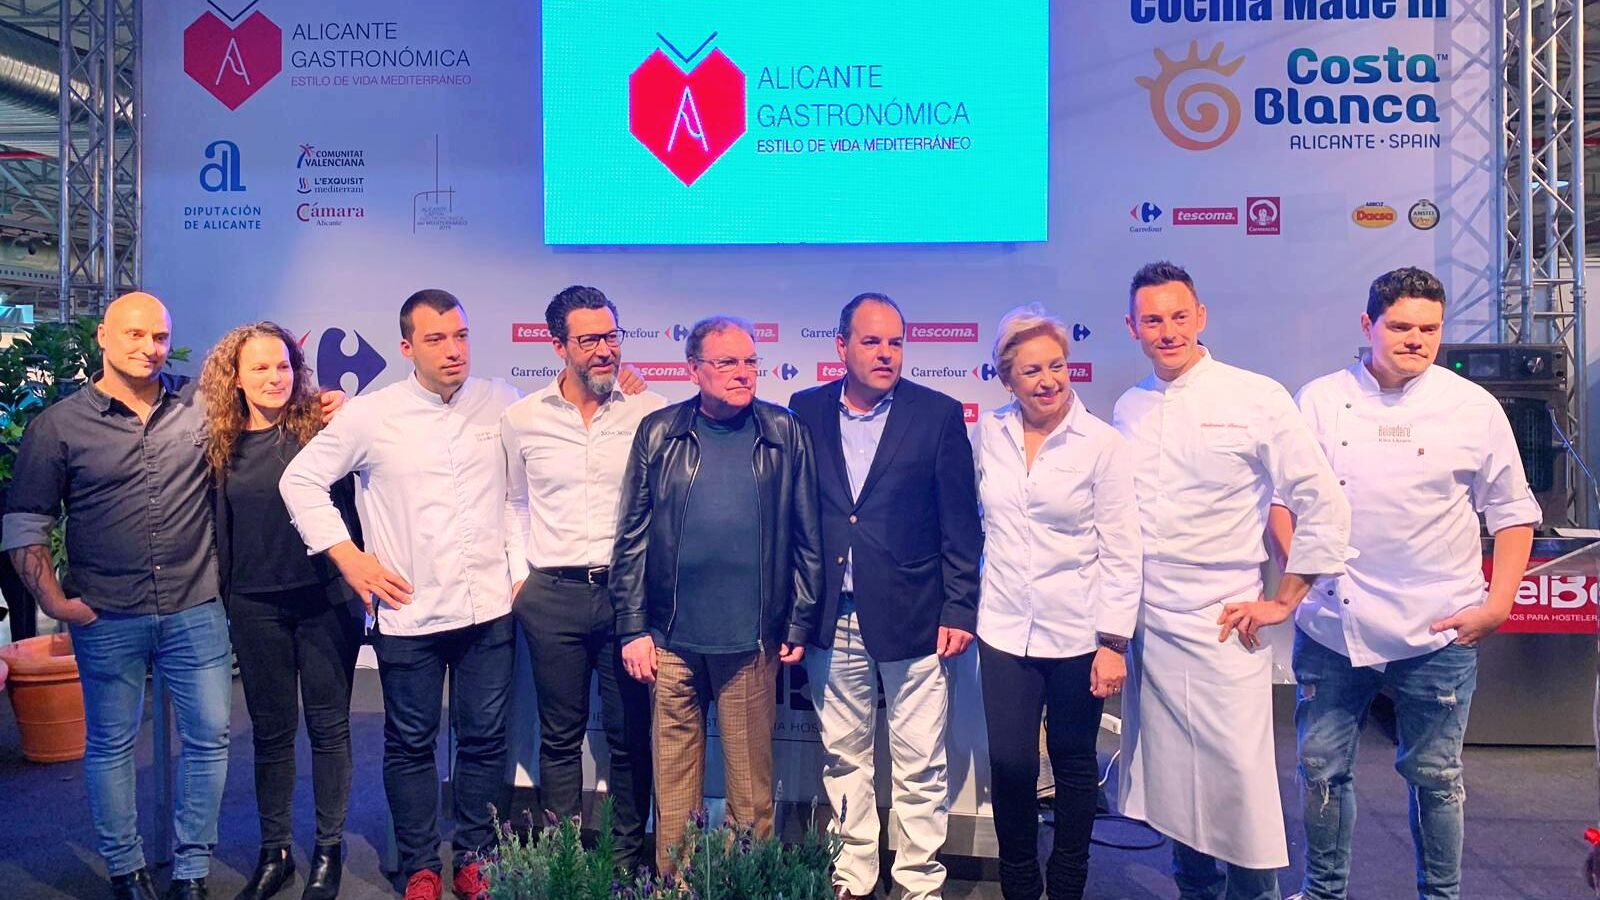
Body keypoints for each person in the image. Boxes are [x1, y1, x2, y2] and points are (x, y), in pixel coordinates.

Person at [2, 292, 335, 900]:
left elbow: (272, 405)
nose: (149, 347)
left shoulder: (201, 409)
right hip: (106, 614)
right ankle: (126, 870)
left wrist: (330, 404)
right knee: (111, 745)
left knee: (209, 742)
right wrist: (53, 602)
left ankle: (191, 873)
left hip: (195, 609)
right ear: (104, 337)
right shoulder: (57, 427)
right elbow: (25, 523)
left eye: (159, 336)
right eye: (134, 334)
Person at [1278, 267, 1539, 900]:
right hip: (1334, 624)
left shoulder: (1472, 407)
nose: (1416, 339)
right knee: (1320, 769)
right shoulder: (1319, 400)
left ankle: (1441, 896)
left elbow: (1512, 512)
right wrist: (1304, 575)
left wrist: (1498, 604)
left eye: (1429, 328)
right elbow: (1282, 501)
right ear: (1367, 325)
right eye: (1399, 327)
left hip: (1439, 625)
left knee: (1435, 776)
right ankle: (1323, 892)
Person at [1113, 262, 1351, 900]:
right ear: (1132, 327)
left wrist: (1286, 599)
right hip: (1151, 623)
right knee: (1172, 781)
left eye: (1179, 317)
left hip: (1226, 619)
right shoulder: (1129, 406)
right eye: (1153, 320)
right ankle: (1195, 892)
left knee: (1239, 785)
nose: (1168, 332)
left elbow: (1322, 501)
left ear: (1202, 317)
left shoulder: (1256, 396)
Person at [280, 290, 525, 900]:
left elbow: (525, 483)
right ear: (407, 347)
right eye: (436, 339)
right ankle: (419, 864)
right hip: (408, 611)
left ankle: (474, 857)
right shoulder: (371, 415)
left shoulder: (503, 401)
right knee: (411, 743)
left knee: (484, 740)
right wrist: (349, 558)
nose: (453, 350)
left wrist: (625, 386)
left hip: (490, 608)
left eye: (461, 336)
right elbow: (300, 480)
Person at [610, 315, 823, 875]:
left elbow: (808, 535)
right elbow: (631, 537)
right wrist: (631, 626)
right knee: (674, 786)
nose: (743, 373)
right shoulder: (659, 432)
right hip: (669, 641)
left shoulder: (784, 431)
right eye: (727, 362)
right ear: (694, 369)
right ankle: (677, 884)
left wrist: (799, 620)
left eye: (750, 361)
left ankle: (743, 885)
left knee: (750, 795)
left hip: (751, 643)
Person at [787, 292, 982, 900]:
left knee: (920, 763)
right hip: (833, 616)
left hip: (917, 615)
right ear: (841, 346)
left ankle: (919, 882)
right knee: (843, 757)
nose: (885, 353)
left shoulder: (938, 414)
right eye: (871, 341)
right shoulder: (804, 408)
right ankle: (854, 874)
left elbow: (961, 524)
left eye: (895, 342)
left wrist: (959, 606)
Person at [972, 304, 1142, 900]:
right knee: (1010, 765)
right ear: (1007, 378)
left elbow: (1122, 546)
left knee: (1072, 763)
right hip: (1003, 629)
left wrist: (1113, 642)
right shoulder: (987, 433)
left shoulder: (1102, 444)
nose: (1048, 381)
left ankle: (1068, 882)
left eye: (1057, 366)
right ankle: (1019, 883)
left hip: (1078, 634)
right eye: (1032, 370)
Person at [499, 286, 664, 873]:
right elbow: (513, 503)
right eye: (589, 339)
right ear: (558, 346)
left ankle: (625, 862)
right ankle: (564, 860)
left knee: (629, 736)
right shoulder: (522, 418)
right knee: (559, 736)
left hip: (628, 599)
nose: (604, 350)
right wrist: (520, 581)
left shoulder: (649, 411)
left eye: (612, 336)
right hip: (552, 596)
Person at [199, 322, 364, 900]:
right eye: (261, 368)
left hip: (326, 602)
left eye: (283, 366)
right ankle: (277, 854)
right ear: (235, 378)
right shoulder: (219, 443)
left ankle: (328, 850)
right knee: (270, 734)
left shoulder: (325, 428)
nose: (275, 377)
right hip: (254, 605)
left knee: (328, 728)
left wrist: (349, 414)